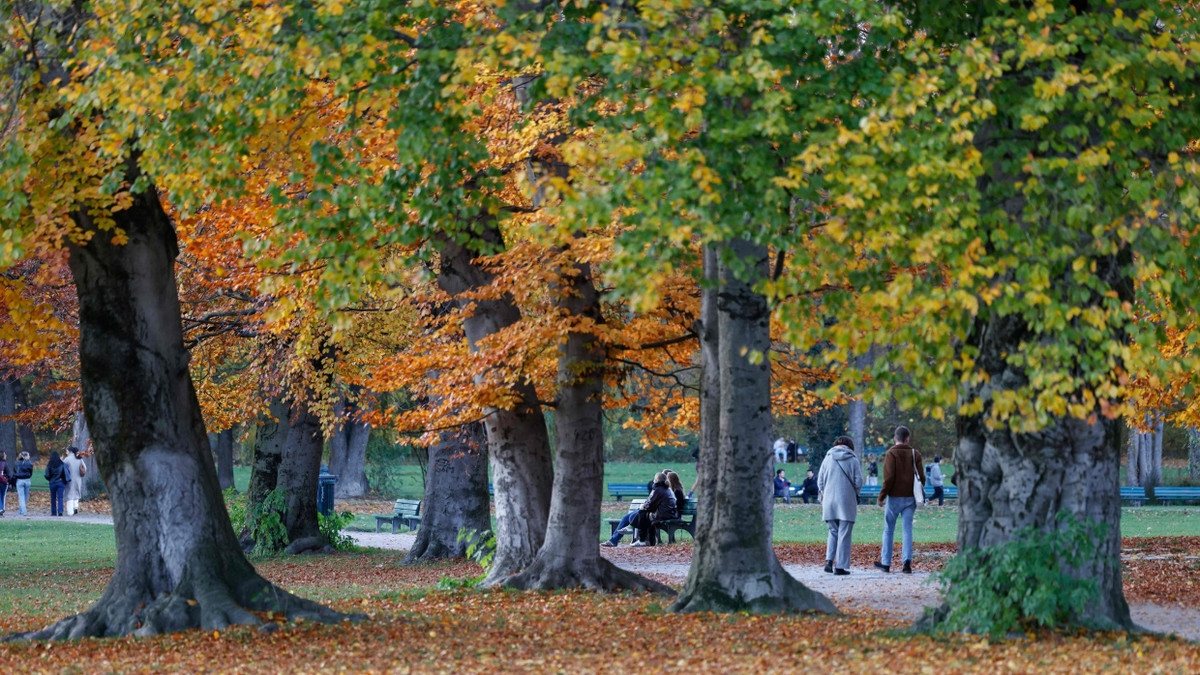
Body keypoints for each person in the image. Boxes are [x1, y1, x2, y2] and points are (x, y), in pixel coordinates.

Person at [874, 426, 924, 574]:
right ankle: (907, 563)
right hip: (910, 499)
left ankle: (886, 563)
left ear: (895, 439)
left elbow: (888, 479)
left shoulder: (891, 454)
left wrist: (881, 496)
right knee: (907, 530)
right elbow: (922, 478)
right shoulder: (915, 454)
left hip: (894, 498)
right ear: (907, 439)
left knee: (889, 530)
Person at [817, 435, 863, 575]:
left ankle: (829, 561)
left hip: (829, 500)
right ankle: (840, 566)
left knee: (833, 531)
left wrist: (826, 493)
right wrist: (854, 492)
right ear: (850, 446)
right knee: (844, 533)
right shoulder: (853, 459)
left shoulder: (827, 458)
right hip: (846, 501)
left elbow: (820, 481)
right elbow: (859, 481)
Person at [630, 472, 676, 547]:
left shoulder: (658, 489)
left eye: (654, 479)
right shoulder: (667, 489)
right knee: (646, 514)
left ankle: (641, 540)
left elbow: (650, 505)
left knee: (643, 513)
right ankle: (649, 542)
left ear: (656, 480)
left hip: (663, 515)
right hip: (670, 513)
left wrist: (643, 507)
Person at [62, 446, 86, 516]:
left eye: (66, 451)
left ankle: (70, 512)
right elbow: (85, 468)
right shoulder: (79, 459)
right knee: (76, 493)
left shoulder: (67, 459)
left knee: (69, 495)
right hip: (78, 479)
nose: (66, 452)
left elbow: (62, 468)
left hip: (69, 479)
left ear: (70, 451)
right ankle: (75, 507)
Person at [44, 450, 68, 517]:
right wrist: (64, 481)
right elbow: (65, 474)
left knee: (53, 497)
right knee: (60, 497)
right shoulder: (62, 464)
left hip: (52, 482)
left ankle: (53, 512)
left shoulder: (49, 465)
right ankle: (60, 510)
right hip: (60, 482)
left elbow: (47, 475)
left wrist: (50, 479)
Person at [14, 451, 33, 516]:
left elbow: (15, 471)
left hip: (19, 480)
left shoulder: (16, 463)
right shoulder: (30, 464)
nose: (29, 456)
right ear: (25, 456)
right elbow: (31, 473)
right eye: (28, 455)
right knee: (25, 496)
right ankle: (22, 511)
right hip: (27, 480)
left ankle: (22, 511)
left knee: (21, 496)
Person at [0, 452, 10, 516]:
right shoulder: (5, 464)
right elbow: (9, 474)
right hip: (3, 482)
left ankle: (0, 509)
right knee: (3, 496)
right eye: (5, 455)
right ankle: (2, 509)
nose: (6, 455)